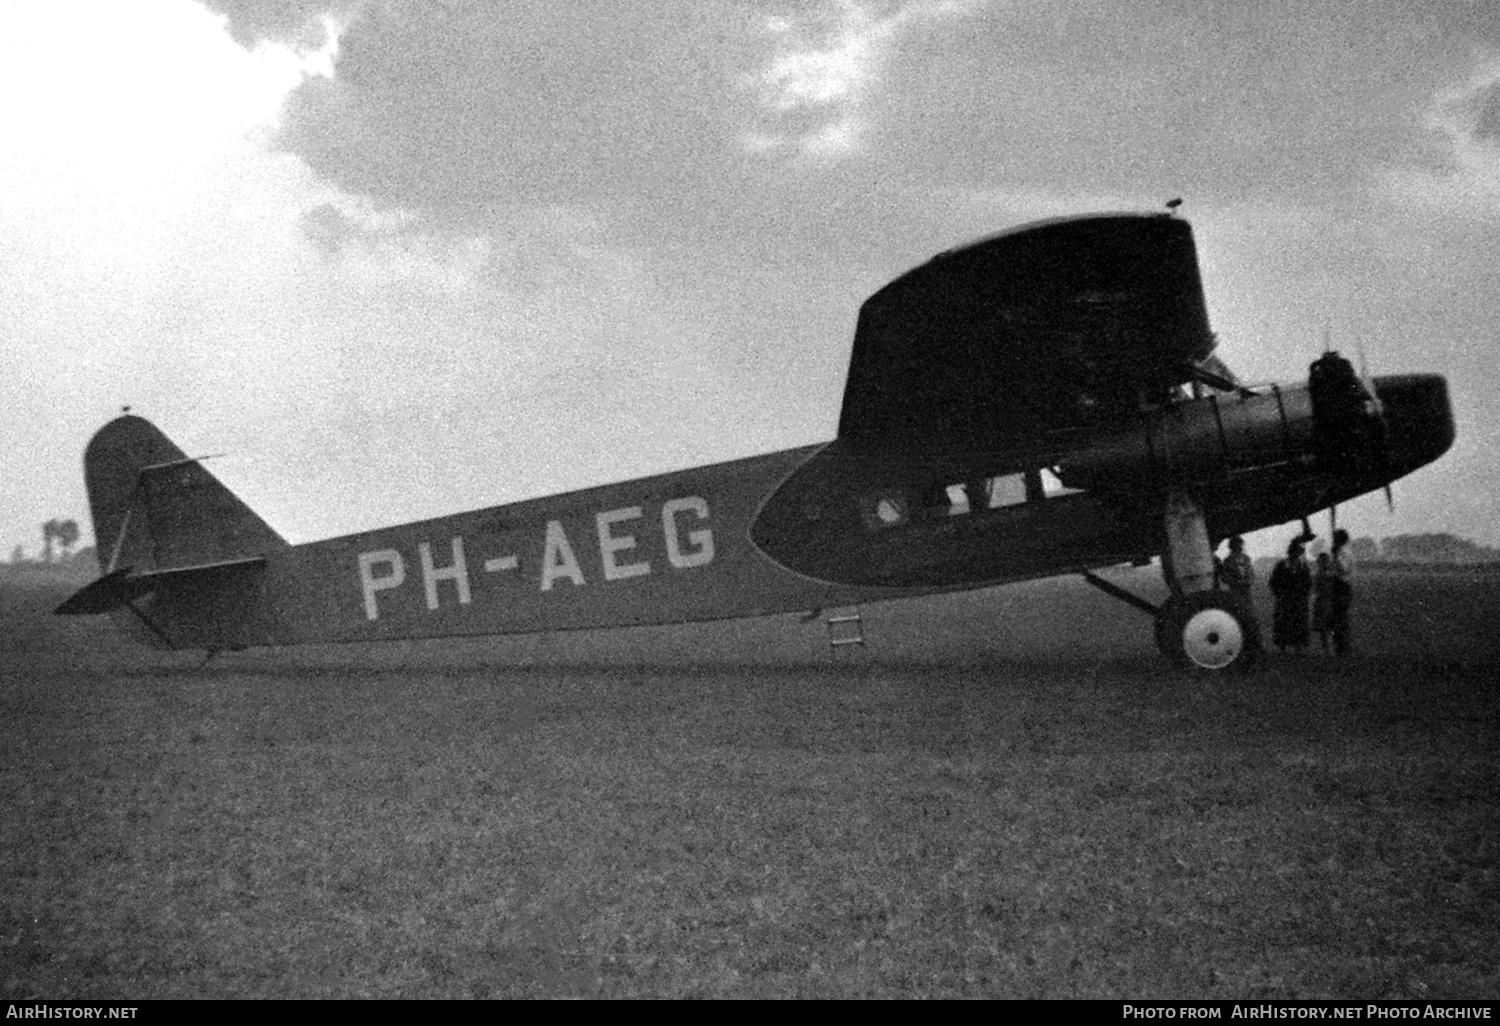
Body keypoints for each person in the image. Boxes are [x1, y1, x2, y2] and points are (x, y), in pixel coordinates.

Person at [1268, 538, 1313, 653]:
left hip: (1298, 600)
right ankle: (1283, 647)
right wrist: (1280, 593)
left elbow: (1308, 583)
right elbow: (1273, 582)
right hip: (1285, 599)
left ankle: (1297, 647)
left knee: (1298, 622)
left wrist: (1303, 594)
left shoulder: (1303, 566)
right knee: (1284, 622)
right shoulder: (1282, 565)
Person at [1326, 528, 1355, 656]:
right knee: (1335, 618)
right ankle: (1340, 646)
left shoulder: (1345, 553)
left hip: (1342, 586)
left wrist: (1336, 557)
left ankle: (1343, 647)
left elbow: (1343, 570)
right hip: (1337, 585)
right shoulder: (1338, 552)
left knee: (1340, 618)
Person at [1311, 552, 1335, 651]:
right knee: (1325, 627)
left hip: (1325, 601)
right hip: (1324, 601)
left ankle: (1328, 647)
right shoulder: (1325, 574)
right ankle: (1328, 647)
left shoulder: (1321, 574)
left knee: (1327, 626)